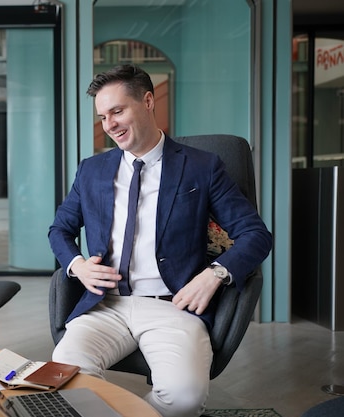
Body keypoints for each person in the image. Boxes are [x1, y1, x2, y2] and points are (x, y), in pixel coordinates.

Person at [48, 65, 272, 417]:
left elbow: (257, 235)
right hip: (105, 305)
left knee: (183, 399)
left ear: (148, 101)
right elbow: (59, 230)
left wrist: (214, 274)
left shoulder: (202, 167)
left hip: (173, 306)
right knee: (64, 381)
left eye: (118, 111)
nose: (110, 125)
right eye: (103, 116)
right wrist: (77, 266)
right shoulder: (91, 170)